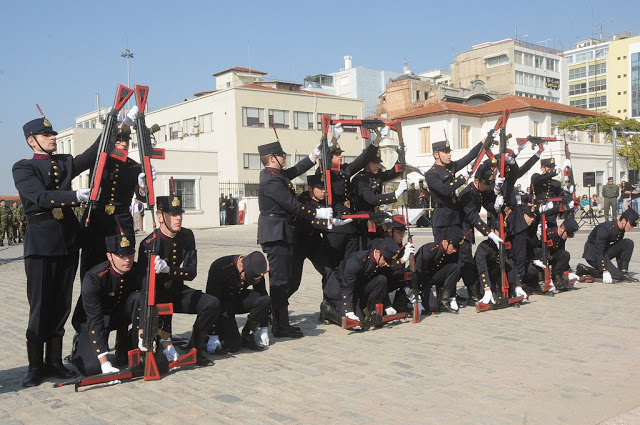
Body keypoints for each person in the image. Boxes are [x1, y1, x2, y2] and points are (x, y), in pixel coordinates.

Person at [13, 116, 99, 387]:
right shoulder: (23, 168)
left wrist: (113, 124)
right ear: (32, 140)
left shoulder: (62, 162)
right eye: (46, 135)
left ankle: (53, 362)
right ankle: (35, 366)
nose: (52, 138)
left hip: (67, 244)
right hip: (41, 245)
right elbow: (39, 197)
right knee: (40, 306)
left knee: (61, 304)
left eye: (53, 134)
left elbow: (89, 157)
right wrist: (76, 197)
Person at [257, 140, 336, 338]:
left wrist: (315, 153)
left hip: (282, 232)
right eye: (281, 154)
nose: (284, 157)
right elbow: (293, 205)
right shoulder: (272, 180)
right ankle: (280, 324)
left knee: (288, 280)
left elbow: (296, 169)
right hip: (277, 233)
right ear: (273, 158)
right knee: (281, 281)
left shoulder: (275, 174)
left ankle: (278, 319)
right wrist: (317, 214)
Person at [138, 194, 220, 366]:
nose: (178, 218)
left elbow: (191, 272)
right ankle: (162, 341)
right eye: (173, 215)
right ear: (160, 217)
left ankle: (194, 347)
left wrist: (169, 270)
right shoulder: (149, 244)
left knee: (211, 303)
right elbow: (144, 286)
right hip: (157, 296)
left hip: (177, 290)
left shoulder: (187, 236)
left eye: (180, 214)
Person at [71, 232, 142, 376]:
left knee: (139, 297)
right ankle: (79, 344)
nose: (127, 260)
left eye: (130, 254)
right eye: (121, 256)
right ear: (109, 256)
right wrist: (104, 361)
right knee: (92, 368)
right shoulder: (94, 277)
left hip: (119, 316)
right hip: (95, 320)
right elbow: (94, 319)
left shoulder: (136, 270)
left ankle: (126, 344)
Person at [320, 237, 402, 329]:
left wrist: (388, 306)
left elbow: (381, 284)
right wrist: (349, 311)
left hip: (355, 287)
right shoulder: (357, 261)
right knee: (356, 323)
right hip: (339, 289)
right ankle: (327, 310)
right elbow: (347, 287)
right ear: (378, 253)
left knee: (381, 279)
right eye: (386, 260)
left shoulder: (379, 261)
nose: (387, 264)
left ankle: (370, 310)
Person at [206, 251, 271, 353]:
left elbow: (262, 294)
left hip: (238, 300)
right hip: (223, 306)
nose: (250, 279)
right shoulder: (220, 267)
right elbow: (212, 301)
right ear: (241, 265)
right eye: (248, 276)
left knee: (265, 299)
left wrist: (264, 326)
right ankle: (207, 338)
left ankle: (247, 335)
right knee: (233, 345)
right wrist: (213, 334)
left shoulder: (254, 267)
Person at [424, 139, 483, 241]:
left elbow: (469, 157)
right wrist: (461, 178)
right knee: (443, 252)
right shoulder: (431, 174)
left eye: (449, 152)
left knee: (457, 251)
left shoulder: (450, 167)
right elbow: (445, 190)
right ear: (436, 155)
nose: (449, 155)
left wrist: (483, 142)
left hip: (455, 216)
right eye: (445, 152)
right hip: (442, 218)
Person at [577, 208, 639, 283]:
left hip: (604, 252)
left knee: (628, 243)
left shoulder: (621, 228)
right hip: (593, 254)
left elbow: (618, 248)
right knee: (617, 276)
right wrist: (604, 270)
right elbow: (599, 251)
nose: (632, 227)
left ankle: (623, 272)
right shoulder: (606, 229)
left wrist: (618, 268)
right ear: (623, 221)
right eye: (631, 224)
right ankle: (586, 270)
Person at [414, 226, 465, 314]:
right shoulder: (429, 251)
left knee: (455, 268)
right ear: (445, 242)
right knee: (433, 307)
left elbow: (449, 274)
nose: (455, 250)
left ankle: (444, 301)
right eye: (454, 246)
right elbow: (417, 273)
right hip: (422, 279)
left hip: (432, 276)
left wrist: (452, 296)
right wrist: (419, 294)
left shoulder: (450, 252)